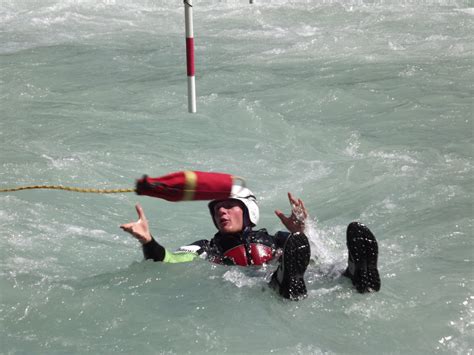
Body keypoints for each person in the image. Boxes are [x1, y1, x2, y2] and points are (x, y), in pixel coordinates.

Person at [120, 188, 380, 300]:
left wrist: (304, 230)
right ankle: (284, 282)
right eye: (217, 210)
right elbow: (169, 260)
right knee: (276, 277)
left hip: (291, 274)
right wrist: (148, 241)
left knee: (323, 267)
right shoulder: (207, 248)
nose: (222, 213)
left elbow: (315, 258)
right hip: (258, 285)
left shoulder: (275, 239)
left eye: (229, 206)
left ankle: (355, 273)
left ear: (248, 211)